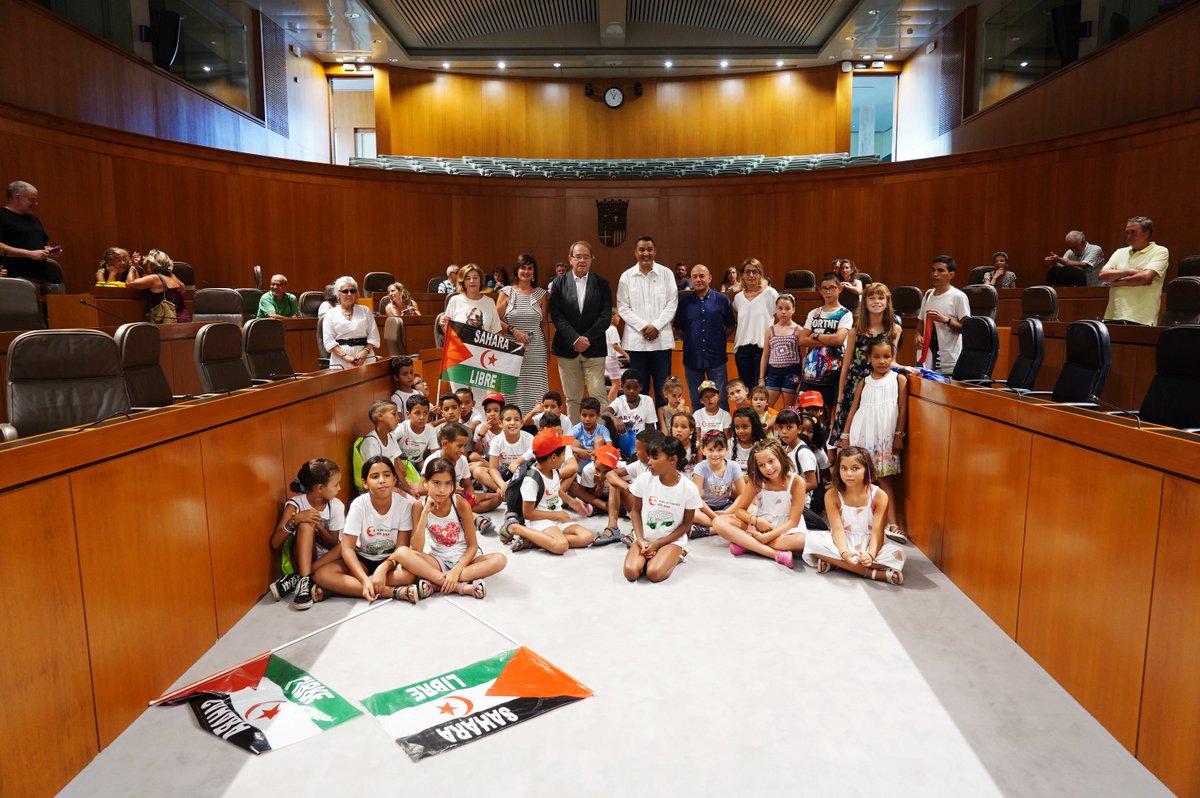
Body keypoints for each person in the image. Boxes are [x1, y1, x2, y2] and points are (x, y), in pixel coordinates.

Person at [392, 458, 506, 600]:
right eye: (436, 483)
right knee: (402, 553)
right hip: (438, 561)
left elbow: (472, 546)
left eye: (448, 484)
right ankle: (459, 586)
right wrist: (425, 512)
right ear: (425, 483)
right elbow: (416, 548)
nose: (442, 489)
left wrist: (456, 571)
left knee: (500, 559)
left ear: (453, 486)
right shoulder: (418, 506)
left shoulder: (460, 503)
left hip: (466, 562)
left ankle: (436, 582)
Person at [313, 456, 422, 602]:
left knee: (409, 575)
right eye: (375, 476)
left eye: (387, 475)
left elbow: (401, 549)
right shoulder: (359, 505)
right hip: (362, 559)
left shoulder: (404, 505)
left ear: (394, 479)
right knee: (322, 575)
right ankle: (392, 592)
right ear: (365, 483)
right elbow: (347, 549)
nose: (382, 480)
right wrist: (364, 580)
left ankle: (342, 587)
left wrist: (383, 569)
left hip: (390, 562)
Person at [802, 446, 905, 584]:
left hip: (869, 544)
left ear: (867, 470)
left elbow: (877, 533)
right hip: (841, 543)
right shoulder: (832, 495)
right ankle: (873, 574)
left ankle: (836, 563)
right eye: (844, 468)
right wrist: (844, 553)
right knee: (811, 540)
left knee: (898, 554)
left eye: (855, 468)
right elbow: (837, 530)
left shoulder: (879, 496)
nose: (849, 474)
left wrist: (870, 554)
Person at [839, 338, 908, 544]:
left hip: (884, 437)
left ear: (893, 357)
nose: (882, 361)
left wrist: (898, 434)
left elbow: (903, 409)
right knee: (862, 479)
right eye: (877, 357)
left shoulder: (899, 380)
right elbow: (853, 410)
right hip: (862, 435)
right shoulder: (864, 382)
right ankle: (859, 522)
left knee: (885, 480)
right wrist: (845, 436)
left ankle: (893, 523)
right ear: (869, 358)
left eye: (887, 356)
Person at [711, 439, 806, 569]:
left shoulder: (797, 482)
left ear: (781, 457)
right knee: (718, 521)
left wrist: (767, 537)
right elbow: (740, 510)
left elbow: (793, 522)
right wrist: (756, 521)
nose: (768, 468)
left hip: (786, 530)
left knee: (802, 541)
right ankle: (774, 554)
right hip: (758, 526)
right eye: (761, 465)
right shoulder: (756, 481)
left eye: (771, 461)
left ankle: (747, 544)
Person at [830, 282, 902, 446]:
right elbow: (846, 366)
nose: (876, 302)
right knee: (847, 436)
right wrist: (840, 397)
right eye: (872, 298)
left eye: (880, 298)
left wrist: (906, 368)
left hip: (879, 387)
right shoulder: (855, 331)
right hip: (855, 384)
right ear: (865, 303)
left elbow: (892, 361)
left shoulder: (895, 330)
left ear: (887, 302)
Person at [268, 458, 345, 610]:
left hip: (329, 559)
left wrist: (320, 527)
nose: (339, 488)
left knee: (345, 545)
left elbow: (332, 544)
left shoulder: (336, 505)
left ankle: (299, 577)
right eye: (336, 484)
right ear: (320, 488)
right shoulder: (295, 504)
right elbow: (275, 543)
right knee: (305, 523)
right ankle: (304, 581)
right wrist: (295, 519)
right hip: (303, 557)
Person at [549, 240, 612, 423]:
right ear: (570, 259)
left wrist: (586, 339)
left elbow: (605, 315)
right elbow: (557, 315)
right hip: (567, 349)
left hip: (595, 348)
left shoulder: (601, 283)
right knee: (572, 398)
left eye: (586, 257)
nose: (582, 260)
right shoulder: (558, 283)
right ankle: (575, 436)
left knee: (598, 396)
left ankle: (601, 435)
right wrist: (575, 339)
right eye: (578, 257)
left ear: (592, 259)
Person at [506, 429, 596, 554]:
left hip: (556, 517)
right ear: (553, 457)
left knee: (587, 537)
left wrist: (571, 502)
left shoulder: (553, 471)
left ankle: (534, 541)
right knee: (561, 546)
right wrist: (557, 515)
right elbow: (528, 514)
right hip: (540, 521)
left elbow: (553, 490)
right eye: (563, 455)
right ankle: (516, 528)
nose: (564, 459)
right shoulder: (531, 480)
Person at [624, 435, 699, 584]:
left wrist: (658, 544)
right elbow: (635, 511)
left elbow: (686, 524)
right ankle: (656, 556)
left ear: (673, 460)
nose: (649, 462)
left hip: (670, 540)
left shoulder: (689, 488)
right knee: (630, 572)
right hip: (645, 538)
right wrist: (640, 541)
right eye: (649, 457)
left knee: (654, 573)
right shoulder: (644, 480)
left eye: (655, 458)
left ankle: (677, 554)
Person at [617, 236, 678, 407]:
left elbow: (672, 304)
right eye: (642, 250)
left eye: (649, 249)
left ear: (655, 251)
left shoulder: (666, 274)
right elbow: (623, 307)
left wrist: (656, 326)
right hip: (636, 344)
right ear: (635, 253)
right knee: (639, 392)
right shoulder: (626, 276)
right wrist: (644, 327)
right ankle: (642, 424)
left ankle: (663, 424)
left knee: (663, 391)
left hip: (661, 344)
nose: (646, 253)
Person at [674, 263, 736, 409]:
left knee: (721, 398)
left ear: (710, 278)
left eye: (702, 276)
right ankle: (699, 425)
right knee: (696, 399)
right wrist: (691, 340)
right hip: (692, 357)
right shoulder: (684, 303)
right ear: (691, 280)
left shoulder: (722, 300)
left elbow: (731, 325)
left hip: (716, 357)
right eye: (694, 277)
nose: (698, 279)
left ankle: (722, 425)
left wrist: (719, 340)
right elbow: (678, 329)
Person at [496, 253, 549, 414]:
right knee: (512, 390)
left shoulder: (541, 294)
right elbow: (495, 320)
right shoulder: (506, 292)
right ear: (516, 270)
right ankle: (512, 419)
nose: (526, 271)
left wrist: (547, 349)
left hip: (536, 350)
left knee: (536, 388)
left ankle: (535, 421)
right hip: (511, 349)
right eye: (523, 268)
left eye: (530, 268)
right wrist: (513, 330)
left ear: (534, 271)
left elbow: (544, 324)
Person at [797, 273, 853, 417]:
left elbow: (838, 340)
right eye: (824, 288)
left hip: (833, 373)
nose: (828, 292)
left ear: (840, 288)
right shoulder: (814, 313)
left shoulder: (845, 314)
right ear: (820, 290)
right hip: (811, 372)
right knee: (806, 413)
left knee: (827, 414)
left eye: (832, 288)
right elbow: (802, 340)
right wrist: (829, 339)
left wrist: (816, 335)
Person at [1099, 216, 1170, 325]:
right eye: (1127, 233)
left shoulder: (1160, 251)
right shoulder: (1119, 252)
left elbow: (1145, 277)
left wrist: (1115, 282)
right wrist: (1131, 271)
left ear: (1146, 233)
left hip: (1140, 318)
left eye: (1133, 232)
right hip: (1113, 315)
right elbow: (1102, 275)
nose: (1129, 236)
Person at [914, 256, 970, 375]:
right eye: (933, 270)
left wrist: (945, 320)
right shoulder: (928, 294)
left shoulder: (958, 296)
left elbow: (966, 329)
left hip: (949, 361)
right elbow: (921, 322)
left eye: (940, 270)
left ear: (951, 275)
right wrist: (918, 335)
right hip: (926, 360)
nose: (935, 274)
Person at [0, 181, 60, 284]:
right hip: (15, 279)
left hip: (41, 277)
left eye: (36, 200)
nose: (36, 204)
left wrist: (49, 251)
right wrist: (29, 254)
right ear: (17, 197)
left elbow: (43, 245)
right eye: (32, 200)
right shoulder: (2, 216)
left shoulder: (34, 219)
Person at [731, 257, 779, 387]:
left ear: (760, 274)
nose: (751, 275)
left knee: (761, 391)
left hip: (763, 348)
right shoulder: (738, 297)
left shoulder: (770, 293)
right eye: (747, 272)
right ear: (742, 275)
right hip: (742, 350)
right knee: (745, 389)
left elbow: (779, 318)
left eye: (755, 271)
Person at [690, 430, 742, 537]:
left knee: (751, 509)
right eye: (710, 450)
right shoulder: (700, 468)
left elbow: (742, 495)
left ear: (726, 449)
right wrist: (715, 517)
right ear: (703, 450)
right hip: (705, 508)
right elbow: (697, 498)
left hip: (726, 506)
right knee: (693, 514)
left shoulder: (734, 466)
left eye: (720, 449)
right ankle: (725, 526)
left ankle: (710, 530)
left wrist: (726, 513)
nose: (715, 454)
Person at [758, 293, 804, 410]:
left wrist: (802, 379)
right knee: (767, 407)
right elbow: (765, 355)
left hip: (792, 372)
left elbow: (804, 356)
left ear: (793, 310)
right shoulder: (770, 330)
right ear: (776, 310)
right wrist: (761, 378)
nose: (783, 312)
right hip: (773, 373)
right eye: (780, 308)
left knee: (788, 408)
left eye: (787, 308)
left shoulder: (799, 330)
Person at [323, 275, 379, 369]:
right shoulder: (330, 314)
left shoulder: (365, 311)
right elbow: (328, 341)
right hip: (340, 360)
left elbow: (373, 336)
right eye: (345, 291)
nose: (349, 294)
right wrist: (345, 356)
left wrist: (365, 351)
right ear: (338, 294)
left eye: (353, 291)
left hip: (365, 358)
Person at [605, 367, 658, 459]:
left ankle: (635, 456)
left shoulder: (647, 401)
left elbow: (650, 428)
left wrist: (647, 449)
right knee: (609, 422)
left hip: (640, 443)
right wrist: (614, 419)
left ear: (641, 387)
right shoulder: (619, 401)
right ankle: (616, 452)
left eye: (635, 388)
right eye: (628, 388)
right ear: (622, 387)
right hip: (621, 441)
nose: (631, 391)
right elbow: (604, 413)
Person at [125, 249, 187, 323]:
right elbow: (183, 287)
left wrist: (132, 267)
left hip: (169, 322)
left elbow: (129, 283)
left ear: (152, 264)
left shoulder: (155, 278)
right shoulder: (173, 276)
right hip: (183, 319)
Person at [440, 263, 502, 334]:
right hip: (458, 341)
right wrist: (443, 325)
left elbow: (495, 333)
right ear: (463, 282)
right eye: (468, 278)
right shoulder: (454, 300)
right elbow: (447, 330)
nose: (472, 281)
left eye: (475, 278)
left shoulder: (489, 302)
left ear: (480, 280)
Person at [730, 407, 766, 471]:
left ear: (754, 426)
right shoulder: (730, 444)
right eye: (737, 427)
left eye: (745, 427)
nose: (740, 431)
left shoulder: (762, 445)